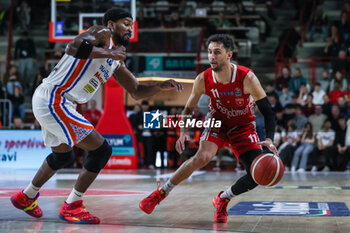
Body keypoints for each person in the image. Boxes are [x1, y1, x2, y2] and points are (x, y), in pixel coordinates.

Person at [10, 8, 183, 224]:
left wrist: (160, 86)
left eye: (132, 25)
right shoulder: (102, 33)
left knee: (63, 156)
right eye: (126, 23)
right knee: (102, 149)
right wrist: (110, 53)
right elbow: (72, 47)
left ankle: (25, 196)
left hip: (58, 101)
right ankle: (72, 205)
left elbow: (136, 90)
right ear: (111, 24)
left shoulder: (115, 59)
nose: (130, 29)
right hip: (55, 99)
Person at [139, 34, 278, 223]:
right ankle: (161, 193)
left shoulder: (247, 77)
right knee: (202, 157)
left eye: (217, 52)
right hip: (218, 123)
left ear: (229, 55)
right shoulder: (202, 79)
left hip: (242, 127)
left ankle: (223, 198)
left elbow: (268, 112)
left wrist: (269, 138)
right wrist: (184, 133)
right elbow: (188, 108)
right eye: (210, 52)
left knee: (256, 175)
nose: (212, 56)